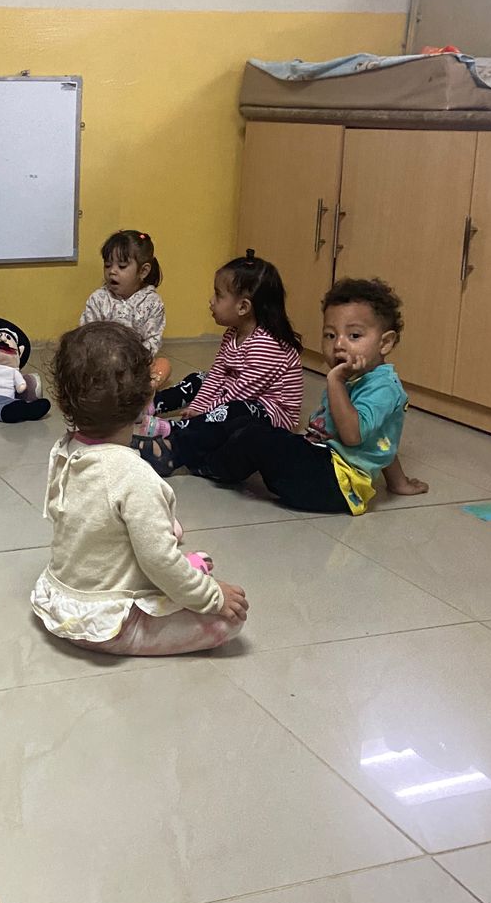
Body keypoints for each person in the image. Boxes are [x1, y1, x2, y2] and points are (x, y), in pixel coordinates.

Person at [30, 322, 249, 655]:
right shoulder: (135, 475)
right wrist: (211, 596)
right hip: (108, 621)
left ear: (63, 400)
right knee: (228, 623)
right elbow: (157, 561)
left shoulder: (65, 451)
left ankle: (178, 574)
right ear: (147, 398)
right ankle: (147, 617)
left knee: (155, 536)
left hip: (61, 599)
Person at [207, 277, 426, 513]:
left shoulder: (382, 387)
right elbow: (383, 439)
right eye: (330, 335)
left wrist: (335, 382)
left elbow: (353, 437)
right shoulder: (351, 376)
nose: (339, 344)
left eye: (354, 336)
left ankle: (210, 466)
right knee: (248, 423)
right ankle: (212, 448)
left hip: (336, 484)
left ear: (385, 343)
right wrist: (398, 483)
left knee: (255, 438)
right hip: (319, 459)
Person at [136, 252, 303, 477]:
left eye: (218, 295)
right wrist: (199, 405)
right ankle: (150, 405)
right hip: (238, 394)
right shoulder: (233, 333)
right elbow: (217, 374)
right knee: (199, 378)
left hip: (268, 414)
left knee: (235, 410)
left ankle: (175, 433)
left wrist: (204, 413)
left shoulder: (266, 344)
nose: (211, 301)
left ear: (243, 307)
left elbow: (241, 394)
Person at [81, 229, 170, 388]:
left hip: (135, 365)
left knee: (163, 365)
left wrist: (133, 361)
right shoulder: (99, 298)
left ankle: (145, 392)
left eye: (121, 266)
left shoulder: (152, 302)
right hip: (102, 363)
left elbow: (153, 339)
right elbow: (86, 332)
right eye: (107, 265)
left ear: (143, 271)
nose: (112, 271)